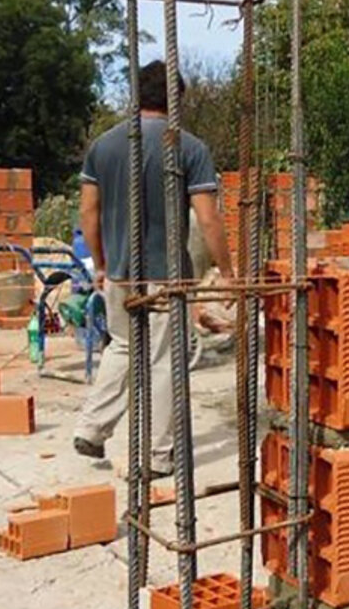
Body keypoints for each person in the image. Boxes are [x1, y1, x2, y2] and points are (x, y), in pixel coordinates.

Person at [72, 60, 233, 470]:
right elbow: (208, 218)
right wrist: (228, 272)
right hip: (166, 277)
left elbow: (88, 212)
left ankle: (91, 429)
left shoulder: (104, 145)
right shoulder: (188, 147)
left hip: (121, 272)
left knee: (122, 347)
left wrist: (103, 263)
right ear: (177, 99)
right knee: (163, 362)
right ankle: (160, 456)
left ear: (137, 96)